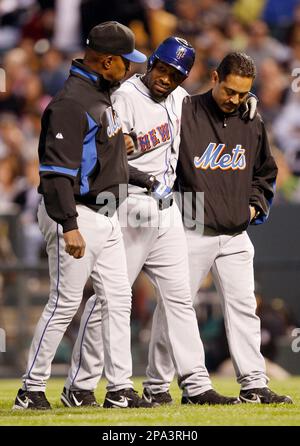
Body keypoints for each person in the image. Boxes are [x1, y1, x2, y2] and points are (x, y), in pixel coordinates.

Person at [62, 37, 246, 408]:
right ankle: (79, 385)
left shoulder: (180, 100)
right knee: (111, 299)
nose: (165, 77)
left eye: (175, 73)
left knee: (180, 298)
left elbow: (214, 105)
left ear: (184, 77)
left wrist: (246, 107)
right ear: (151, 64)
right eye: (161, 68)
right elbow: (104, 159)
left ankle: (195, 383)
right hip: (126, 206)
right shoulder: (125, 97)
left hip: (168, 210)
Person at [13, 21, 151, 410]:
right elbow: (55, 174)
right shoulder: (72, 102)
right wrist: (69, 225)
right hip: (73, 213)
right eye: (126, 62)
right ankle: (31, 390)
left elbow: (100, 161)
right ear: (107, 61)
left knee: (118, 299)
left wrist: (133, 166)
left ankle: (119, 388)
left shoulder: (98, 94)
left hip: (102, 214)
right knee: (64, 302)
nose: (131, 68)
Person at [147, 52, 293, 404]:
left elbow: (265, 171)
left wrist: (255, 204)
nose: (235, 99)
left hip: (235, 232)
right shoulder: (185, 111)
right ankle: (156, 386)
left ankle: (254, 382)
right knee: (174, 308)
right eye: (230, 90)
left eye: (243, 94)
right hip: (191, 227)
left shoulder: (251, 120)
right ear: (215, 78)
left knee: (244, 307)